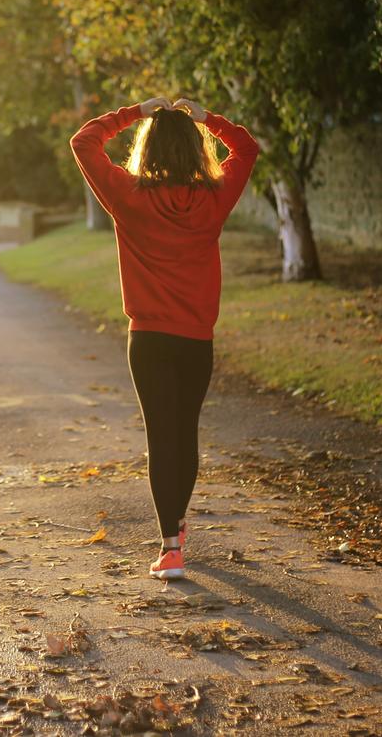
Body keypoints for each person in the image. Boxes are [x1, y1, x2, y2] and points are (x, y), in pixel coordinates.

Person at [69, 95, 260, 580]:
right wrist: (207, 119)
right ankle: (175, 525)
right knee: (185, 433)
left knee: (161, 436)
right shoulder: (214, 198)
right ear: (196, 150)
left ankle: (170, 546)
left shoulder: (128, 196)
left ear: (147, 149)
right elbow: (247, 148)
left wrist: (135, 112)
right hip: (196, 339)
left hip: (149, 340)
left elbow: (84, 141)